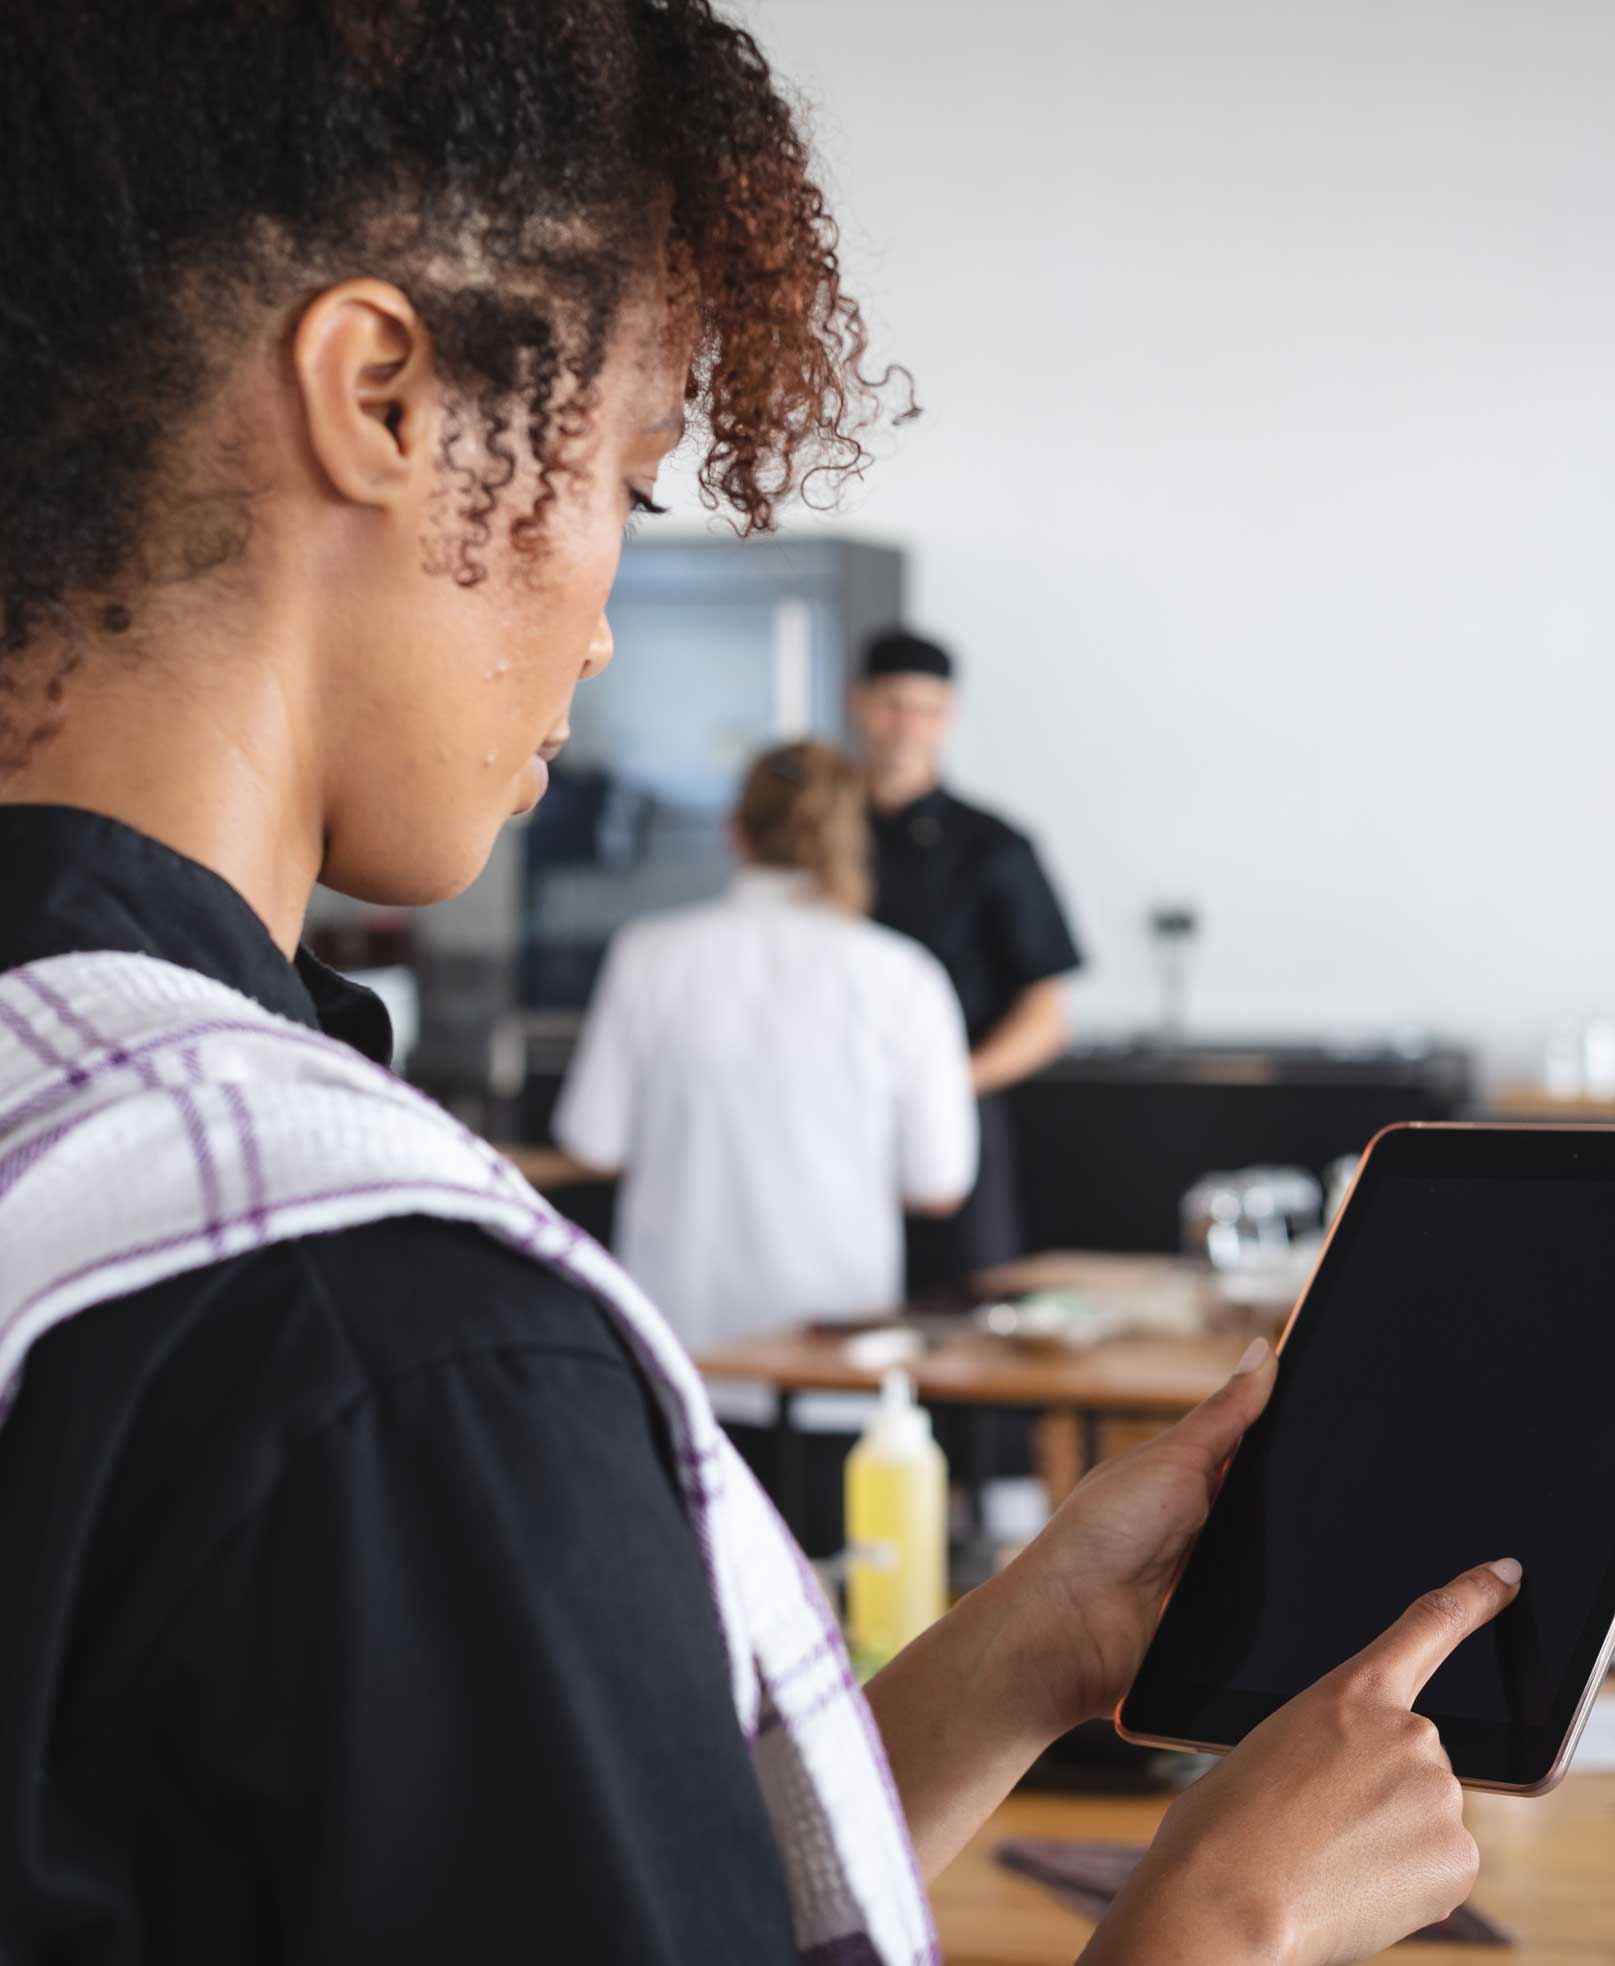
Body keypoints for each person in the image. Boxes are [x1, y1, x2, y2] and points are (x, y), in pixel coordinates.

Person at [0, 5, 1518, 1964]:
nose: (610, 626)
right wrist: (1223, 1917)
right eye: (628, 485)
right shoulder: (388, 1344)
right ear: (381, 393)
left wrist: (1019, 1650)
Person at [551, 740, 974, 1544]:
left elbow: (593, 1140)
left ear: (734, 833)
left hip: (683, 1356)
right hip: (833, 1366)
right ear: (854, 842)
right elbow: (939, 1180)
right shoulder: (901, 975)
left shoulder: (650, 955)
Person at [855, 628, 1084, 1289]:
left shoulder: (994, 846)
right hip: (833, 1118)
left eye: (926, 710)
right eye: (892, 705)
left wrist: (942, 1087)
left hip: (958, 1113)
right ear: (860, 704)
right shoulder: (823, 835)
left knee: (966, 1303)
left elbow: (1047, 1017)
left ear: (947, 718)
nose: (907, 727)